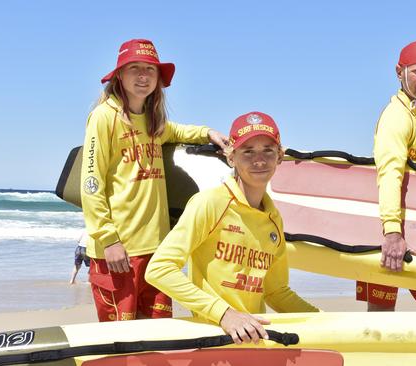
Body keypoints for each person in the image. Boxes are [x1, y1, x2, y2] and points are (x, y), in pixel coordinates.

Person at [81, 38, 229, 322]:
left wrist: (209, 133)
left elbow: (178, 131)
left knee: (157, 340)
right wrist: (108, 240)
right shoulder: (103, 117)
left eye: (150, 70)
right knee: (119, 345)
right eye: (134, 68)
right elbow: (91, 183)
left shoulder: (153, 123)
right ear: (119, 76)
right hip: (118, 252)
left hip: (158, 252)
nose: (142, 76)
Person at [146, 111, 319, 344]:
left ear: (280, 156)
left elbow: (276, 292)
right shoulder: (209, 203)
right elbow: (159, 269)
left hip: (254, 339)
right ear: (231, 157)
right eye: (248, 152)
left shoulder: (273, 219)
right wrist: (224, 314)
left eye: (268, 150)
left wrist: (323, 319)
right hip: (214, 339)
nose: (259, 160)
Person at [356, 41, 416, 312]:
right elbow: (389, 174)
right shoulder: (395, 117)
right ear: (400, 72)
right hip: (388, 229)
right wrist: (392, 232)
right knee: (381, 314)